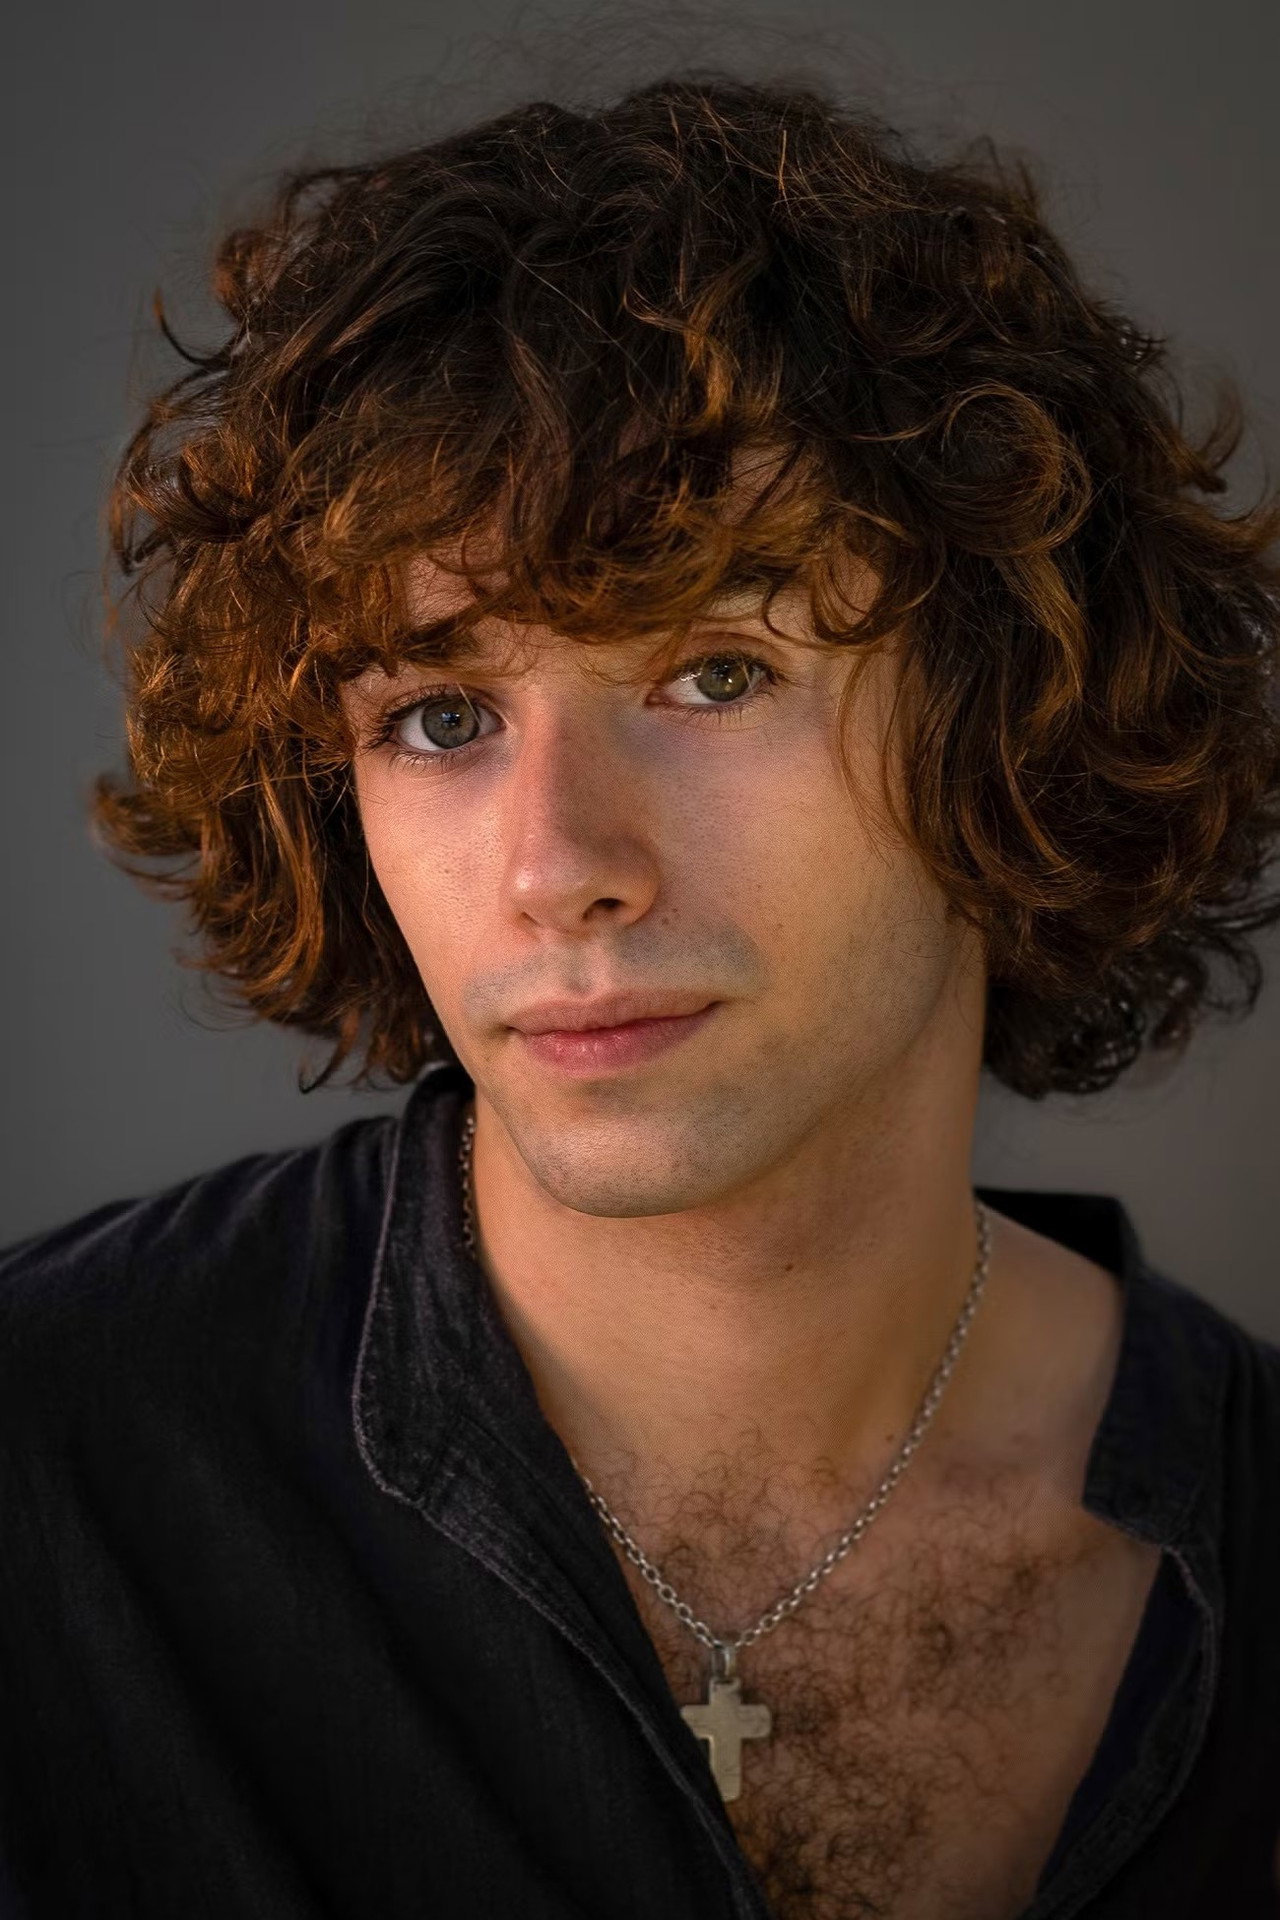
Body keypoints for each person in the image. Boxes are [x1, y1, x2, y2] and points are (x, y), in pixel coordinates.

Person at [1, 68, 1278, 1920]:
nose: (558, 865)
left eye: (715, 675)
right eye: (442, 717)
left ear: (1013, 713)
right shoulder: (44, 1479)